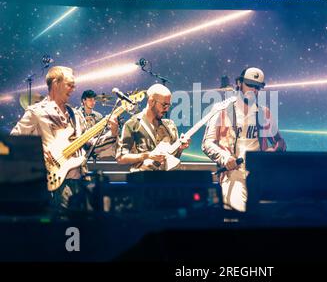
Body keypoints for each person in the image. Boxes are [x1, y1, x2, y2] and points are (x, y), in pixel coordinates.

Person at [10, 66, 119, 211]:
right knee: (62, 230)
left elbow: (90, 146)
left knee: (83, 230)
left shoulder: (76, 115)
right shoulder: (36, 112)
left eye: (74, 85)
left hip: (81, 182)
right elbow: (11, 143)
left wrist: (112, 132)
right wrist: (37, 152)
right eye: (69, 84)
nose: (73, 88)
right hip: (54, 184)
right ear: (55, 84)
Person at [202, 67, 286, 212]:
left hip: (258, 173)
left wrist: (274, 151)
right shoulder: (222, 109)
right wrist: (225, 158)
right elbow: (207, 143)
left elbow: (280, 142)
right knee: (236, 218)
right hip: (233, 172)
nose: (253, 90)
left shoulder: (264, 112)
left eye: (257, 87)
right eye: (250, 85)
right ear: (239, 83)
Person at [116, 83, 190, 172]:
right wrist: (147, 155)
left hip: (166, 181)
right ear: (151, 101)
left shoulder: (170, 126)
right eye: (164, 105)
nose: (166, 109)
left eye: (168, 105)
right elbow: (121, 158)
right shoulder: (132, 124)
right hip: (142, 180)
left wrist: (180, 149)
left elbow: (173, 158)